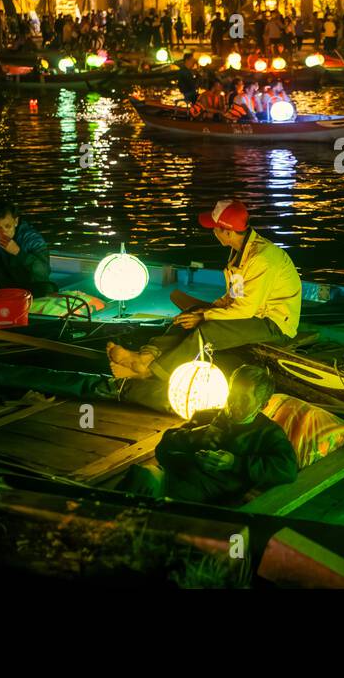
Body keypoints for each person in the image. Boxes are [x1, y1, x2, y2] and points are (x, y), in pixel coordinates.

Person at [107, 200, 301, 413]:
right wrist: (205, 310)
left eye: (214, 229)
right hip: (251, 314)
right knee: (190, 315)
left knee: (207, 330)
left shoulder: (262, 259)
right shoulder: (241, 253)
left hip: (272, 324)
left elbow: (246, 310)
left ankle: (151, 371)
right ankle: (146, 356)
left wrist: (206, 317)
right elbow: (234, 297)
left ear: (226, 231)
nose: (213, 233)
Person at [117, 365, 297, 504]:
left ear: (263, 405)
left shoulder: (267, 433)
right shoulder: (210, 416)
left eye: (244, 399)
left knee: (143, 490)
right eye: (233, 394)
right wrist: (198, 438)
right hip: (174, 476)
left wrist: (234, 463)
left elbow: (287, 469)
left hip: (204, 497)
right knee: (140, 476)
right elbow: (163, 448)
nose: (234, 403)